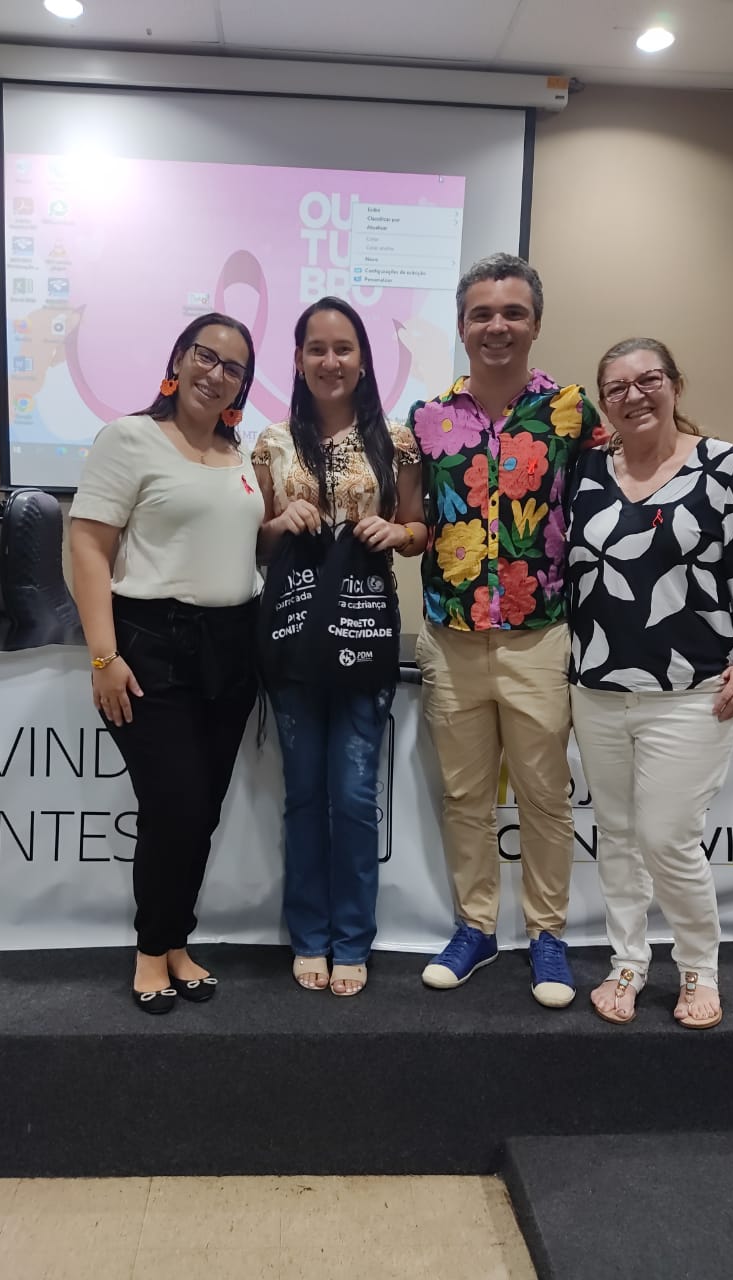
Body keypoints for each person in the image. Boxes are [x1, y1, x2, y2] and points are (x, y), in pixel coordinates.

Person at [567, 337, 733, 1028]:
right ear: (603, 404)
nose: (634, 395)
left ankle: (699, 966)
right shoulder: (584, 473)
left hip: (692, 693)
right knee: (617, 835)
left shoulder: (726, 467)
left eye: (648, 379)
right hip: (596, 689)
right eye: (616, 388)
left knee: (667, 837)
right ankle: (627, 960)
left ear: (676, 384)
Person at [409, 253, 605, 1006]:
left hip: (540, 635)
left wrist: (721, 460)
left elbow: (639, 470)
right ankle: (477, 928)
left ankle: (548, 935)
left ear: (535, 323)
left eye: (513, 313)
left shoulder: (573, 413)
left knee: (544, 796)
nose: (498, 326)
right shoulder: (425, 420)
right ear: (461, 325)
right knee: (465, 796)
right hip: (451, 638)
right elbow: (408, 516)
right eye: (482, 313)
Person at [69, 313, 263, 1015]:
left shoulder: (239, 455)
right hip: (153, 647)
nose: (216, 374)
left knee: (201, 810)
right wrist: (104, 656)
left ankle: (177, 942)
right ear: (178, 359)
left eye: (234, 367)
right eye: (205, 356)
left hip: (233, 648)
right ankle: (152, 950)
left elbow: (233, 542)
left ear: (243, 384)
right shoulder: (129, 438)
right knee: (173, 805)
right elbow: (87, 545)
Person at [252, 296, 426, 996]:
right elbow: (257, 540)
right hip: (293, 634)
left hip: (362, 631)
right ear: (297, 360)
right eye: (316, 349)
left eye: (344, 348)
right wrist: (278, 523)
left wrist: (398, 532)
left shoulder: (397, 440)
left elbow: (419, 529)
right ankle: (309, 935)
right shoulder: (270, 443)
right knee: (302, 793)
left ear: (363, 359)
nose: (331, 361)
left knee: (353, 796)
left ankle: (353, 938)